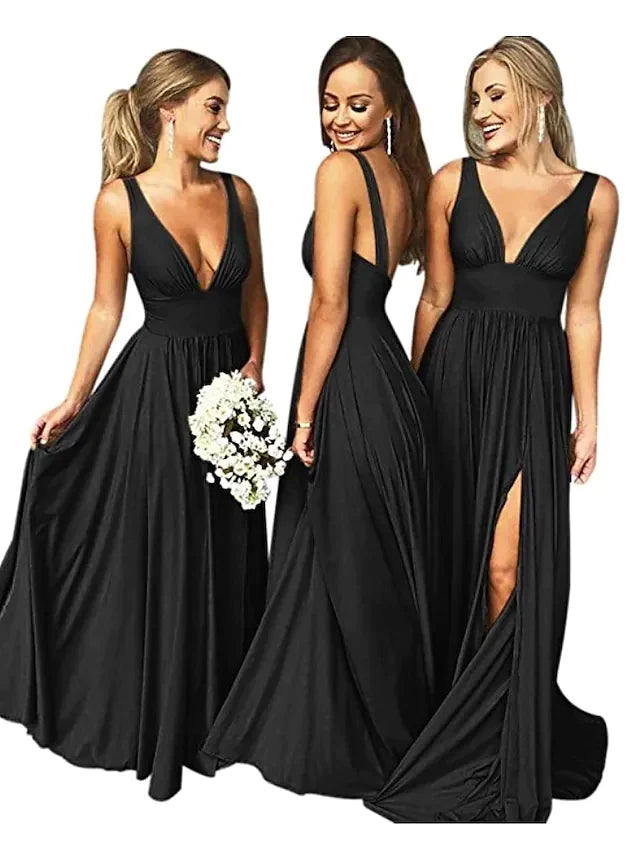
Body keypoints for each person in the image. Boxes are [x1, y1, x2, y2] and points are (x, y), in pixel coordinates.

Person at [0, 48, 269, 801]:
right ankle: (156, 718)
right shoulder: (117, 202)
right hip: (156, 394)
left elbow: (256, 295)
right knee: (172, 545)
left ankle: (216, 718)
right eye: (214, 106)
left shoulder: (240, 193)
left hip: (228, 397)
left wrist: (254, 370)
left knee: (224, 544)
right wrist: (73, 398)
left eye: (225, 107)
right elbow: (105, 308)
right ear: (169, 110)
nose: (225, 122)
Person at [366, 35, 619, 823]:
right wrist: (408, 400)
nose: (481, 111)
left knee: (510, 568)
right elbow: (434, 298)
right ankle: (454, 730)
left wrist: (589, 416)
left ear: (541, 96)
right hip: (453, 383)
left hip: (534, 391)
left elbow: (583, 312)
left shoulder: (595, 196)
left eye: (496, 94)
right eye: (475, 97)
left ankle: (496, 745)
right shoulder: (453, 181)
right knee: (447, 562)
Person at [201, 36, 437, 797]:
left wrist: (302, 414)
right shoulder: (405, 176)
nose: (340, 119)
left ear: (391, 104)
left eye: (358, 104)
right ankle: (333, 724)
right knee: (352, 555)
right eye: (330, 104)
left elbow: (331, 302)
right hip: (389, 378)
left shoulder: (339, 173)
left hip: (347, 378)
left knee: (334, 548)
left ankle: (329, 735)